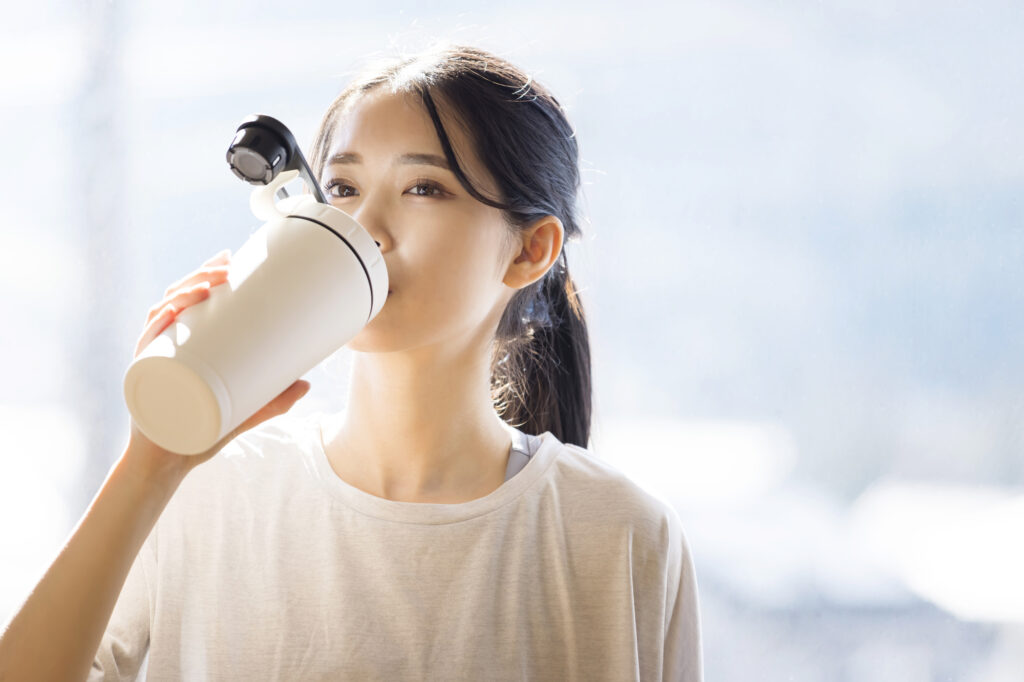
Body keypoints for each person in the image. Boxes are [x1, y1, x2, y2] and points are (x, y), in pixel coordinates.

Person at [0, 43, 702, 681]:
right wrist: (150, 466)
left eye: (423, 188)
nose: (365, 229)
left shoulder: (620, 536)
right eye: (341, 189)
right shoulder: (206, 492)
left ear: (529, 250)